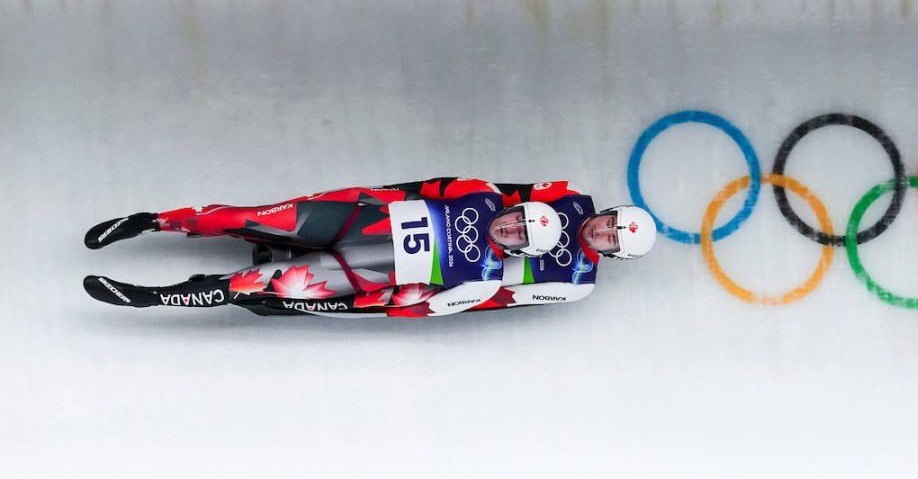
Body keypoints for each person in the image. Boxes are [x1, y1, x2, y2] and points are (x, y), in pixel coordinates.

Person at [83, 177, 562, 317]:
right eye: (517, 218)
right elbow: (416, 187)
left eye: (520, 235)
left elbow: (416, 306)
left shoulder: (482, 278)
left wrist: (352, 301)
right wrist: (360, 198)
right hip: (353, 218)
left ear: (521, 251)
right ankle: (150, 222)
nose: (511, 227)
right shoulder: (481, 195)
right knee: (241, 218)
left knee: (249, 285)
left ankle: (152, 297)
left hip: (354, 269)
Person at [470, 181, 657, 310]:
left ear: (613, 254)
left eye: (611, 239)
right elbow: (508, 196)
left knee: (494, 276)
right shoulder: (573, 193)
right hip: (483, 223)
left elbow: (504, 298)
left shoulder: (580, 283)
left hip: (477, 264)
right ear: (610, 211)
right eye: (609, 222)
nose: (600, 231)